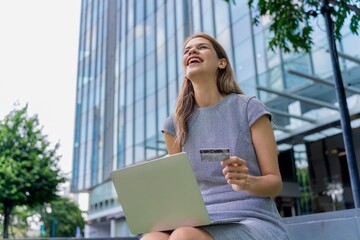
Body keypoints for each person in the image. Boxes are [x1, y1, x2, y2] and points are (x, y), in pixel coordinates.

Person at [141, 32, 289, 240]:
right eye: (187, 51)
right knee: (152, 238)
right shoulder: (174, 125)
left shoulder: (249, 108)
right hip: (201, 220)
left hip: (252, 219)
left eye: (202, 47)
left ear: (221, 63)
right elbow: (182, 192)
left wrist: (247, 182)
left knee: (184, 236)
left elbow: (275, 183)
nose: (192, 51)